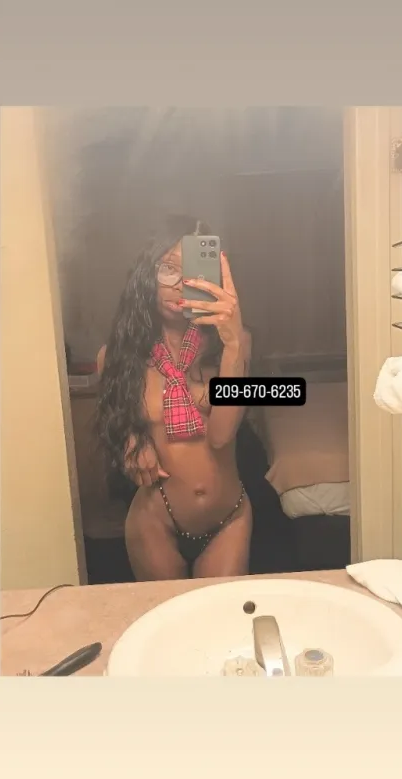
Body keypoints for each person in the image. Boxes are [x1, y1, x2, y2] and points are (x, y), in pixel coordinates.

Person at [96, 215, 253, 581]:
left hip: (228, 519)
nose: (178, 285)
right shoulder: (117, 358)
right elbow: (117, 421)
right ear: (147, 275)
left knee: (222, 614)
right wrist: (131, 443)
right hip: (155, 521)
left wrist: (232, 344)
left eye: (192, 272)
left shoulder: (236, 344)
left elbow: (221, 435)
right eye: (167, 268)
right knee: (167, 615)